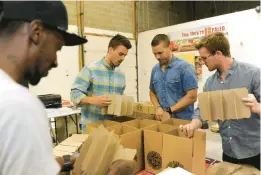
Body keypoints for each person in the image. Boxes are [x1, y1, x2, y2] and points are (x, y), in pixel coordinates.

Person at [0, 1, 135, 175]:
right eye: (57, 48)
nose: (55, 62)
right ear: (36, 33)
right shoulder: (20, 107)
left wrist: (67, 160)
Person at [180, 32, 260, 170]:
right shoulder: (210, 84)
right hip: (228, 151)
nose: (202, 62)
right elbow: (202, 112)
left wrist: (258, 107)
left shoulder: (253, 74)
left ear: (218, 53)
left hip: (253, 152)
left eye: (204, 58)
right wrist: (193, 124)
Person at [70, 34, 132, 132]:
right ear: (110, 50)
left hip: (112, 129)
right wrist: (93, 100)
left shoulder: (121, 75)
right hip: (91, 128)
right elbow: (74, 94)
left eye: (125, 55)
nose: (123, 58)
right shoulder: (90, 69)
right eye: (120, 54)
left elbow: (119, 97)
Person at [149, 34, 200, 123]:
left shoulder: (185, 68)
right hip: (162, 121)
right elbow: (152, 92)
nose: (157, 57)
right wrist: (158, 107)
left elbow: (192, 96)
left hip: (183, 123)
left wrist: (169, 110)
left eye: (160, 53)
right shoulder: (155, 69)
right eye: (154, 54)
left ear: (170, 48)